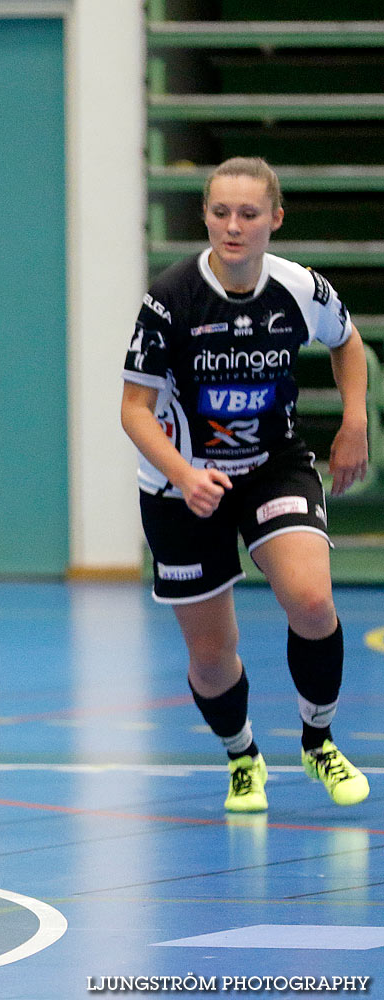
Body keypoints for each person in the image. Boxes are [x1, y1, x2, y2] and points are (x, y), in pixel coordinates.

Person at [121, 156, 372, 813]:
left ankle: (318, 742)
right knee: (211, 653)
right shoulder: (170, 298)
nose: (233, 226)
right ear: (205, 216)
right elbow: (133, 410)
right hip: (181, 486)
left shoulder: (299, 289)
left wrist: (355, 420)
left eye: (249, 214)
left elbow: (347, 342)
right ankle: (243, 756)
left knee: (312, 600)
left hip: (272, 464)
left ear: (275, 220)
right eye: (220, 212)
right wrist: (183, 472)